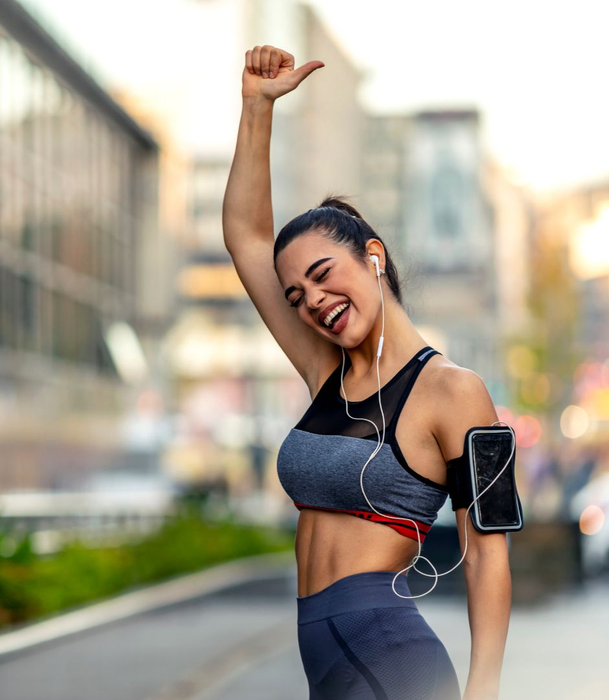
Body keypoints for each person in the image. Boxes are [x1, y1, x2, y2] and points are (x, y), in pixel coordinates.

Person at [223, 44, 512, 700]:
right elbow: (245, 235)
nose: (312, 301)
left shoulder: (456, 391)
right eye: (295, 295)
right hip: (328, 664)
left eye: (323, 275)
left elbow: (489, 551)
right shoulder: (324, 367)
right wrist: (255, 108)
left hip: (393, 661)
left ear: (372, 257)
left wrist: (484, 690)